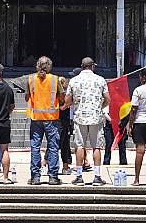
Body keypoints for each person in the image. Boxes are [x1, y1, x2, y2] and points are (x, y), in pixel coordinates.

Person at [63, 57, 110, 186]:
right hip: (95, 116)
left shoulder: (74, 80)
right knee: (96, 146)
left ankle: (79, 176)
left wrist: (74, 104)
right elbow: (107, 98)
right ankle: (97, 176)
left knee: (79, 146)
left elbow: (67, 101)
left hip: (80, 116)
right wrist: (100, 107)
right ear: (92, 66)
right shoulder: (100, 80)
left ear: (82, 66)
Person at [26, 56, 63, 185]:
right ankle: (53, 176)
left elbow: (27, 96)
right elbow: (62, 97)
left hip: (36, 118)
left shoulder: (31, 79)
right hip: (52, 119)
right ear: (50, 66)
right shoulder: (55, 79)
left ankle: (35, 177)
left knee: (35, 148)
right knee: (53, 148)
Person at [58, 76, 73, 174]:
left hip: (65, 122)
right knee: (59, 143)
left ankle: (66, 166)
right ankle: (45, 162)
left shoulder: (61, 95)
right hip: (62, 122)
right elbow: (64, 106)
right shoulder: (63, 96)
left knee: (65, 145)